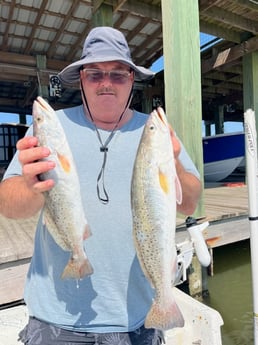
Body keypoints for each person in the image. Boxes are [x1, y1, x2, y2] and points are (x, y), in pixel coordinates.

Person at [0, 27, 202, 345]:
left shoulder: (155, 132)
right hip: (57, 318)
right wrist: (30, 185)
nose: (106, 83)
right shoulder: (51, 128)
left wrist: (173, 161)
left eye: (118, 75)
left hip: (136, 317)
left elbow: (189, 202)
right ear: (81, 79)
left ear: (131, 81)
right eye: (95, 74)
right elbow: (9, 205)